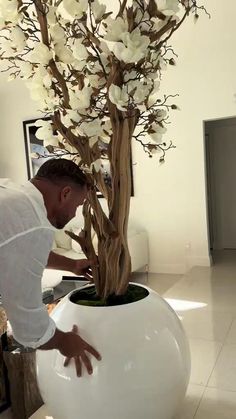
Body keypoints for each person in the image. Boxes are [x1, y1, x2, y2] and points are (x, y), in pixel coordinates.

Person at [0, 158, 101, 377]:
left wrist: (73, 265)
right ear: (65, 193)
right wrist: (63, 341)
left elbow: (18, 248)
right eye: (77, 204)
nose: (75, 213)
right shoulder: (32, 224)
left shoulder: (11, 191)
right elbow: (27, 322)